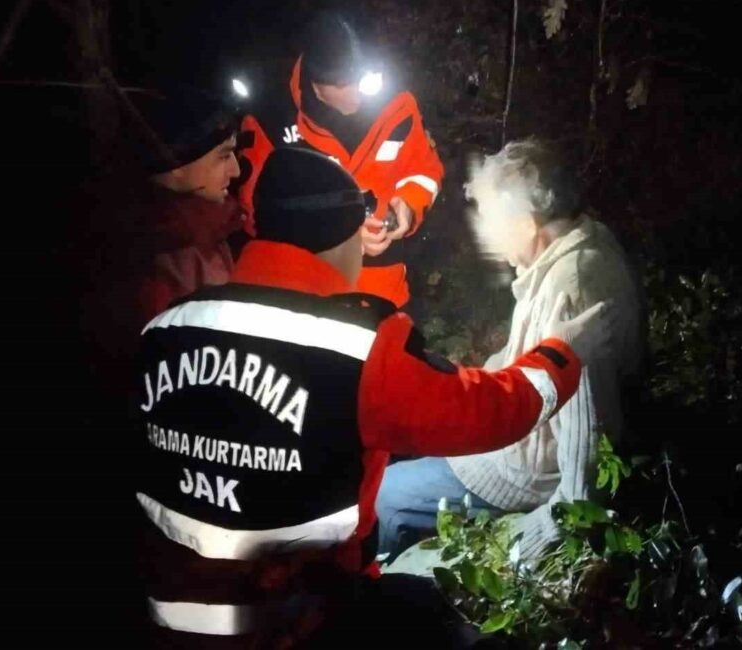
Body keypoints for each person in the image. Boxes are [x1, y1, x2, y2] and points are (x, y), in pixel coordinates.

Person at [136, 147, 611, 647]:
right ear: (340, 240)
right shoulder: (356, 344)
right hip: (293, 619)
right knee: (463, 634)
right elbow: (481, 412)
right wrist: (561, 356)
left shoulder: (168, 323)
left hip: (169, 615)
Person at [376, 140, 644, 561]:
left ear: (525, 225)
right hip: (517, 428)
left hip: (522, 468)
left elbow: (588, 432)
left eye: (492, 222)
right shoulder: (578, 243)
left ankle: (373, 597)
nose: (486, 236)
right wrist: (467, 379)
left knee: (385, 495)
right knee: (417, 422)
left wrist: (554, 522)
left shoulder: (569, 290)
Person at [236, 11, 443, 307]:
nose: (357, 94)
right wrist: (338, 237)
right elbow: (255, 216)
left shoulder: (396, 104)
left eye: (361, 79)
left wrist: (408, 206)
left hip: (383, 292)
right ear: (316, 84)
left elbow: (424, 169)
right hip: (305, 293)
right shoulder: (271, 121)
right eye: (344, 84)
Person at [78, 87, 243, 397]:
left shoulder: (207, 230)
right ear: (177, 161)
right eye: (222, 156)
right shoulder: (156, 255)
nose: (235, 170)